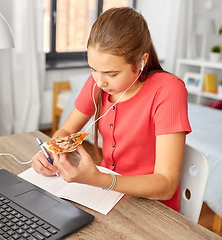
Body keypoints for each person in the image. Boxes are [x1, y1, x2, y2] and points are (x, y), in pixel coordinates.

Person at [31, 7, 191, 212]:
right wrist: (49, 152)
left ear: (141, 62)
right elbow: (66, 131)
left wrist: (101, 180)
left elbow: (166, 185)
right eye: (92, 69)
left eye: (111, 74)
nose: (99, 82)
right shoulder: (97, 82)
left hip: (152, 209)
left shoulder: (168, 90)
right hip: (105, 194)